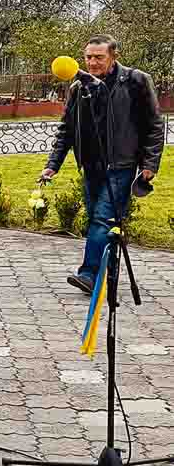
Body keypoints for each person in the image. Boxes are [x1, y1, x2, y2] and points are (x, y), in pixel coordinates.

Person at [42, 35, 164, 294]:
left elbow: (154, 125)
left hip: (121, 164)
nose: (92, 62)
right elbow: (66, 129)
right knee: (100, 222)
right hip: (91, 165)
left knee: (101, 219)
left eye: (99, 57)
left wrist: (150, 162)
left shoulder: (136, 81)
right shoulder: (80, 87)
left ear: (113, 56)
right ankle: (107, 273)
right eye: (88, 57)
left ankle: (88, 273)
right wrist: (53, 164)